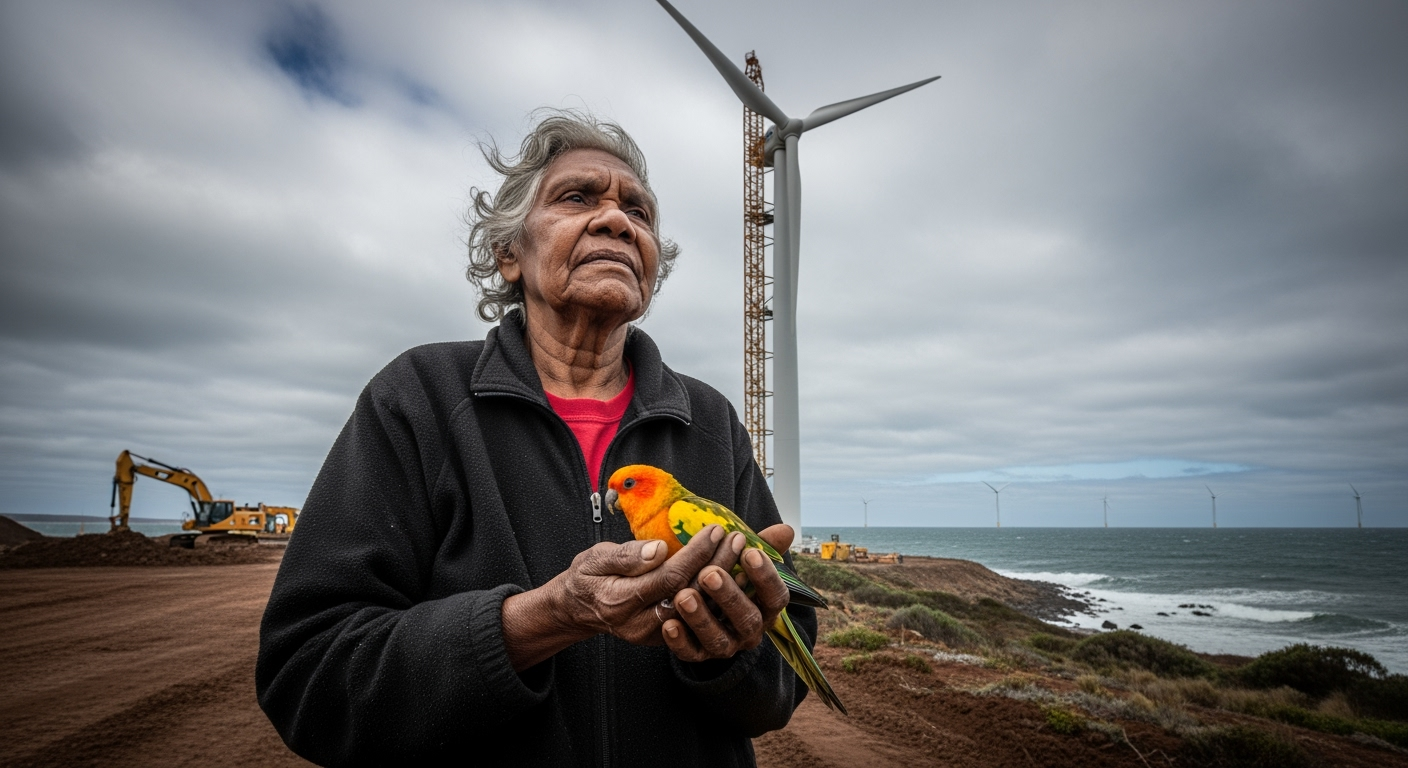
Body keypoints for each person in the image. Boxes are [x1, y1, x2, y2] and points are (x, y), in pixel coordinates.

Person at [257, 111, 815, 767]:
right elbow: (308, 677)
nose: (618, 221)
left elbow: (782, 683)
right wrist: (541, 620)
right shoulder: (417, 398)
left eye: (639, 211)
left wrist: (727, 651)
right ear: (508, 254)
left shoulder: (711, 419)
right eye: (577, 197)